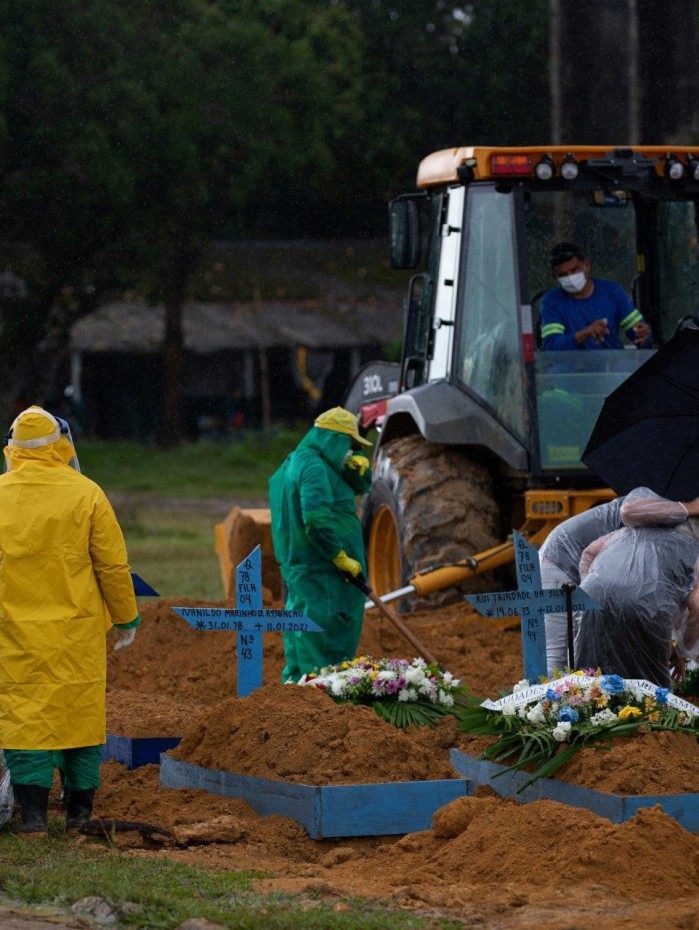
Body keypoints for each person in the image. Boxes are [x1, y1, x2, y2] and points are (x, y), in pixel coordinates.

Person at [0, 406, 140, 834]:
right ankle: (80, 813)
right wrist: (126, 617)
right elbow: (113, 566)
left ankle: (35, 818)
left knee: (25, 720)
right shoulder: (87, 493)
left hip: (15, 633)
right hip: (77, 632)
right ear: (59, 444)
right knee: (80, 716)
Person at [540, 487, 699, 686]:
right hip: (560, 562)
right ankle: (548, 709)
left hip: (590, 569)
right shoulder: (647, 500)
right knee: (559, 663)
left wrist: (667, 646)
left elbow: (655, 594)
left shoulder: (662, 526)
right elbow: (629, 511)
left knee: (592, 655)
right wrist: (691, 507)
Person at [269, 407, 372, 682]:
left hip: (314, 569)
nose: (349, 450)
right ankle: (321, 703)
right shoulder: (313, 467)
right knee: (322, 636)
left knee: (303, 628)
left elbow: (354, 490)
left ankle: (298, 690)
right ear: (332, 439)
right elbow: (315, 520)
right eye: (347, 443)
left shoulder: (302, 461)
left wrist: (358, 472)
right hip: (325, 571)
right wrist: (339, 556)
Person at [541, 242, 652, 351]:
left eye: (574, 270)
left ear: (586, 265)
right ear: (554, 276)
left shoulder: (612, 291)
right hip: (571, 368)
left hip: (612, 365)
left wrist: (643, 333)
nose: (570, 277)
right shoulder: (551, 301)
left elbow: (638, 332)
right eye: (563, 275)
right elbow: (551, 346)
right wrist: (585, 333)